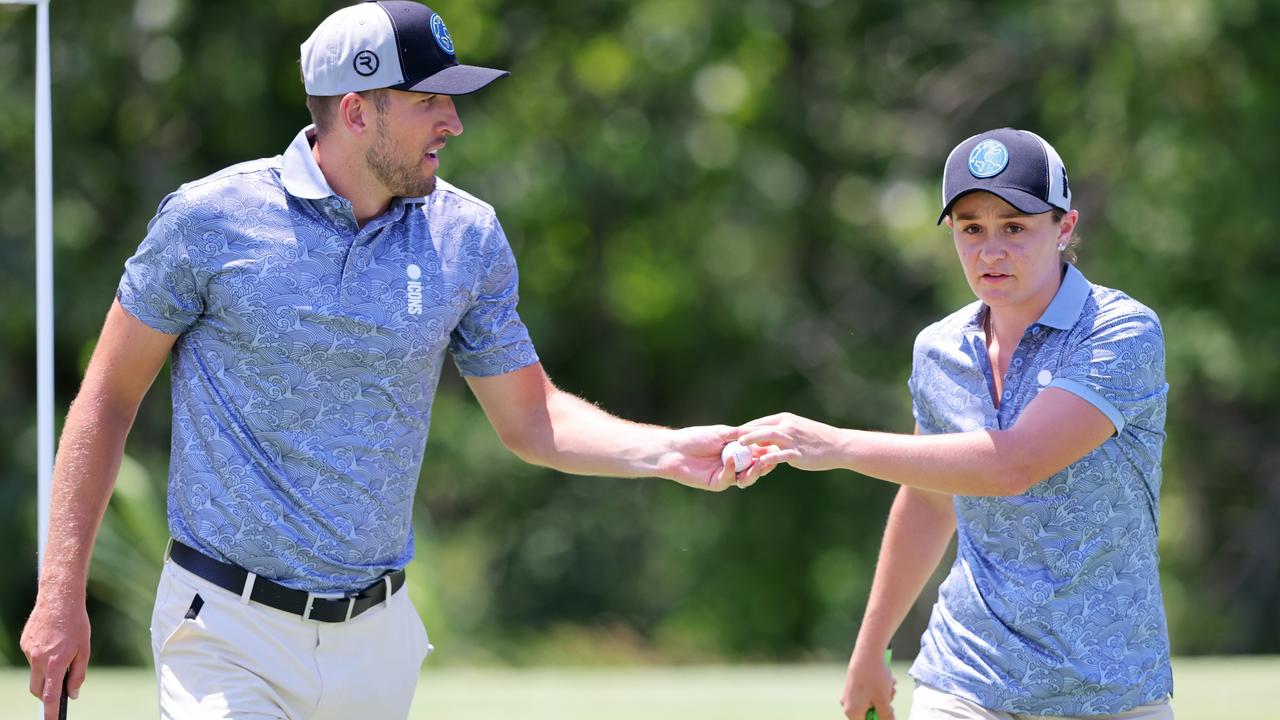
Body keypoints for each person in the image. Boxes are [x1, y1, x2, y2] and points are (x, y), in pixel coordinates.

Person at [19, 3, 772, 718]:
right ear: (355, 110)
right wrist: (60, 592)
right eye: (428, 102)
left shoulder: (465, 236)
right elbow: (109, 397)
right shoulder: (208, 220)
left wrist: (666, 450)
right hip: (224, 630)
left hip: (376, 643)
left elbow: (532, 418)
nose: (454, 122)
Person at [738, 128, 1173, 719]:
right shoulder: (939, 349)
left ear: (1065, 228)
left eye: (1014, 227)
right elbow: (927, 501)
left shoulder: (1120, 333)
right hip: (966, 678)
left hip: (1112, 687)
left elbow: (1013, 464)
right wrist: (870, 647)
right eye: (972, 229)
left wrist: (836, 445)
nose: (990, 250)